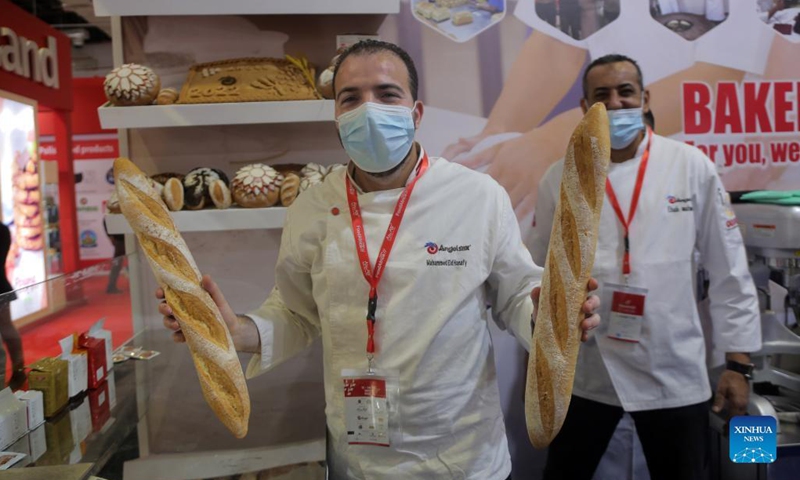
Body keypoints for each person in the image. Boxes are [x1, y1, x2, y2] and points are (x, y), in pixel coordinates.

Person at [159, 40, 601, 479]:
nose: (369, 110)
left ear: (416, 112)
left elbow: (516, 295)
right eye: (351, 98)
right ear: (337, 117)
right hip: (362, 461)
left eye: (387, 95)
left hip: (463, 456)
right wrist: (236, 331)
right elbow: (296, 313)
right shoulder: (311, 209)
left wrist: (548, 313)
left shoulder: (477, 195)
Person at [527, 54, 761, 480]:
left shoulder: (691, 166)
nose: (616, 104)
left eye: (626, 92)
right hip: (589, 372)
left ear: (645, 97)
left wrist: (738, 365)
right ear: (585, 108)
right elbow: (540, 275)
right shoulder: (559, 177)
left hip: (672, 369)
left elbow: (730, 271)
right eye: (602, 96)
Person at [0, 223, 24, 390]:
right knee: (7, 328)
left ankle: (18, 370)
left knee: (7, 328)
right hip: (2, 286)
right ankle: (19, 369)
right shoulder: (2, 229)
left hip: (1, 288)